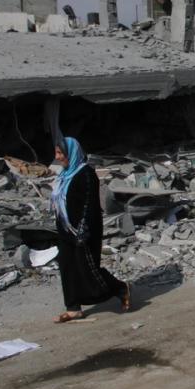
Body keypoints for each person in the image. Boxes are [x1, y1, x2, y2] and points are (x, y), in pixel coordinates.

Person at [50, 137, 130, 323]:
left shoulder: (85, 174)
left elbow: (88, 205)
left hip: (84, 231)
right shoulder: (64, 175)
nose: (57, 157)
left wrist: (82, 231)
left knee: (87, 269)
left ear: (71, 153)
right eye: (56, 153)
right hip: (65, 230)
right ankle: (73, 308)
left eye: (61, 153)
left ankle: (120, 288)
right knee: (67, 267)